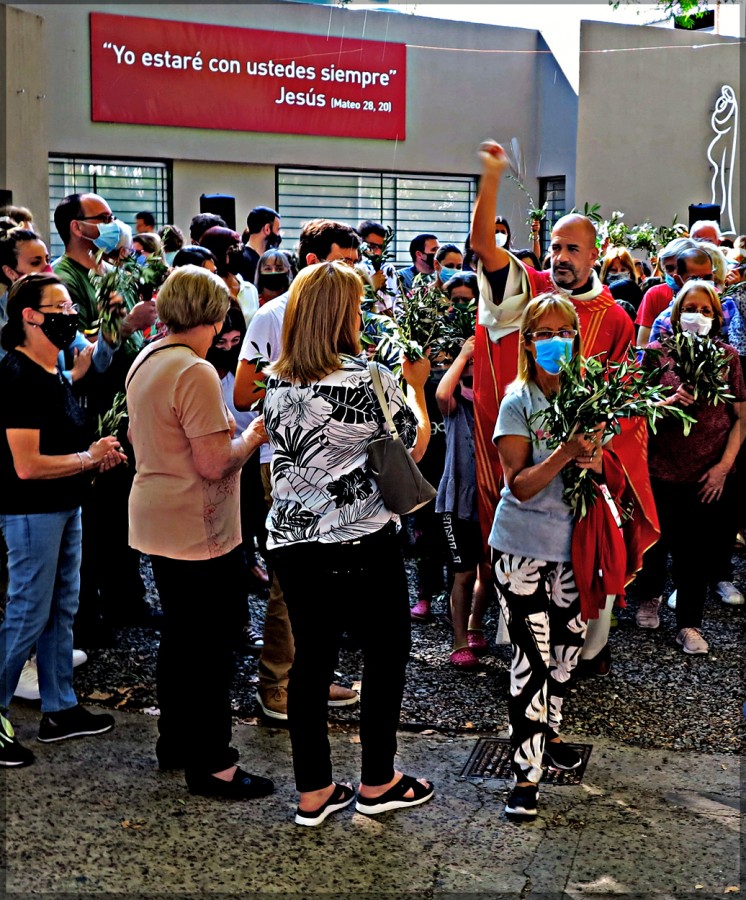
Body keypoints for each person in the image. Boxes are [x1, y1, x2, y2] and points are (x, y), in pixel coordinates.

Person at [470, 140, 658, 677]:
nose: (560, 258)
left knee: (583, 580)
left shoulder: (617, 320)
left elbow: (627, 405)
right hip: (533, 472)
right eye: (555, 247)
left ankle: (578, 658)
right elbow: (484, 245)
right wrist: (490, 175)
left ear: (595, 254)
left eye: (572, 249)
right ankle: (532, 670)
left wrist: (601, 450)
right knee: (531, 621)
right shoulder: (529, 292)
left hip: (583, 478)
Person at [262, 260, 434, 826]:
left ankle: (313, 792)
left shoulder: (277, 381)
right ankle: (377, 780)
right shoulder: (370, 378)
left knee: (311, 660)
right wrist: (418, 387)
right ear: (344, 315)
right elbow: (411, 450)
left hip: (291, 539)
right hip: (360, 539)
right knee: (386, 653)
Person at [126, 265, 273, 800]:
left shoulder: (149, 356)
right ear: (211, 316)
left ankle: (175, 741)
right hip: (198, 525)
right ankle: (214, 763)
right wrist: (253, 434)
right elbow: (214, 463)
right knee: (210, 648)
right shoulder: (196, 371)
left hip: (157, 516)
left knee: (181, 639)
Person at [233, 219, 362, 721]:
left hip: (340, 461)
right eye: (344, 262)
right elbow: (245, 394)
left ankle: (311, 672)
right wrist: (298, 399)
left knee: (327, 579)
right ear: (312, 262)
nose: (354, 272)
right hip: (284, 461)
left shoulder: (349, 311)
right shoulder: (271, 315)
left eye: (355, 264)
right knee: (292, 580)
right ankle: (275, 684)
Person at [0, 273, 126, 766]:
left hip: (62, 505)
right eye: (58, 306)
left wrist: (93, 456)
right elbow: (27, 466)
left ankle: (60, 708)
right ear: (29, 316)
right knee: (28, 610)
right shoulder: (16, 375)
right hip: (31, 511)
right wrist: (87, 458)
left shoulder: (48, 367)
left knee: (60, 609)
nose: (69, 314)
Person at [491, 292, 603, 819]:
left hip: (574, 550)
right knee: (529, 662)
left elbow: (609, 474)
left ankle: (550, 732)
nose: (553, 342)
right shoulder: (518, 402)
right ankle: (524, 775)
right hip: (520, 550)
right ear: (528, 342)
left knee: (566, 653)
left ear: (575, 339)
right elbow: (520, 486)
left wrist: (598, 458)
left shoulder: (590, 394)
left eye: (563, 332)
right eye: (542, 334)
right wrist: (566, 449)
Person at [635, 280, 746, 651]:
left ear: (716, 317)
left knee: (694, 551)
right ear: (676, 311)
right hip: (658, 468)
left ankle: (689, 623)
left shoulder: (727, 357)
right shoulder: (655, 353)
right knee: (655, 542)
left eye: (705, 310)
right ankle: (649, 597)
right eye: (689, 308)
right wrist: (669, 401)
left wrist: (724, 467)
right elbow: (636, 411)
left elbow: (741, 417)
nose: (696, 316)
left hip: (706, 473)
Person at [435, 333, 490, 668]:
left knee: (489, 570)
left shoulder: (496, 408)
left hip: (489, 498)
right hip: (457, 502)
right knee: (463, 573)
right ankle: (457, 641)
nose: (471, 381)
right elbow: (442, 392)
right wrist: (464, 354)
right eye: (466, 377)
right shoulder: (455, 408)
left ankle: (475, 624)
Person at [200, 225, 259, 328]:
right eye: (233, 249)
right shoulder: (206, 293)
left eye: (240, 248)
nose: (239, 253)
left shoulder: (250, 289)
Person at [241, 206, 282, 283]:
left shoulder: (242, 257)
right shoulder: (245, 261)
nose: (279, 235)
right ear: (267, 229)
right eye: (278, 229)